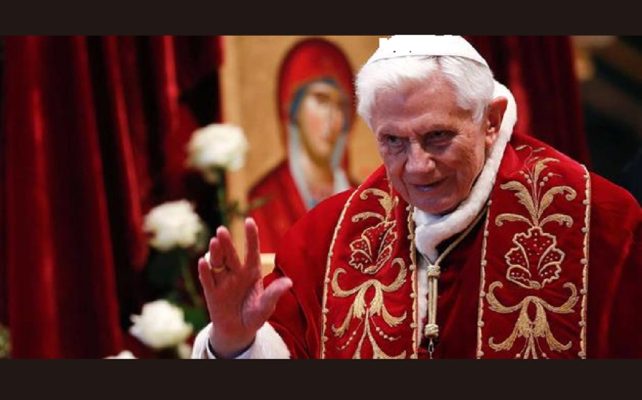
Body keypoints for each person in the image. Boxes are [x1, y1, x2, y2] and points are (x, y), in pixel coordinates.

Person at [192, 35, 642, 359]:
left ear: (490, 120)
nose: (418, 165)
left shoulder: (598, 222)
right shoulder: (325, 239)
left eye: (438, 136)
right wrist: (234, 341)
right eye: (393, 141)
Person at [249, 38, 356, 252]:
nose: (332, 118)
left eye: (340, 105)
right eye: (321, 99)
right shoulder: (264, 201)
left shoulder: (362, 200)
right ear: (293, 108)